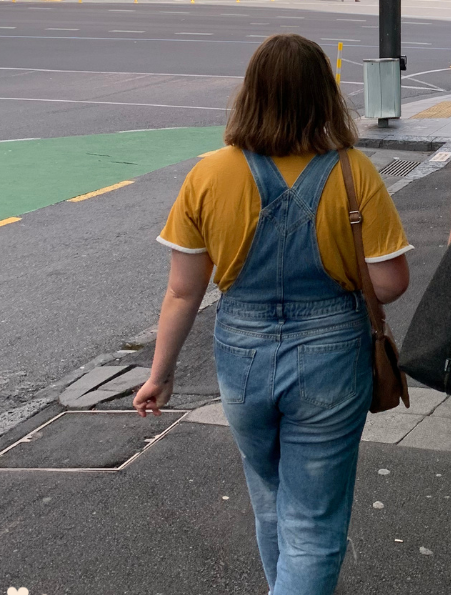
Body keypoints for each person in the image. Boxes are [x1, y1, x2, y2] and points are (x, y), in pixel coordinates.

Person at [134, 34, 412, 595]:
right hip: (331, 355)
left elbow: (183, 292)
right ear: (325, 98)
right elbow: (390, 283)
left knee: (271, 506)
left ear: (250, 94)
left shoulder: (209, 174)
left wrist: (159, 374)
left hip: (241, 355)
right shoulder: (354, 172)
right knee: (312, 523)